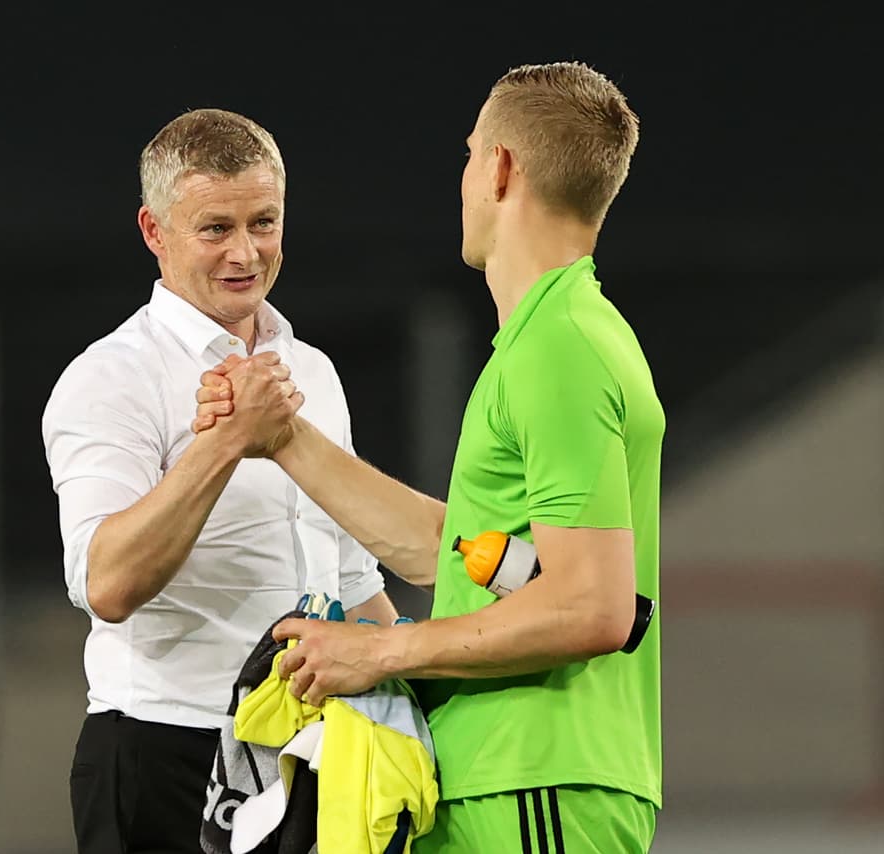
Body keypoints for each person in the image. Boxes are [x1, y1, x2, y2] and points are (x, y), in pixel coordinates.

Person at [192, 61, 662, 852]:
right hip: (504, 778)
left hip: (536, 779)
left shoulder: (558, 350)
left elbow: (593, 607)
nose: (464, 178)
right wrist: (282, 440)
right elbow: (467, 555)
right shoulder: (560, 336)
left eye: (471, 154)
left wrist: (381, 651)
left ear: (503, 170)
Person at [40, 107, 399, 854]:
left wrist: (408, 709)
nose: (245, 252)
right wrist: (229, 440)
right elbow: (106, 582)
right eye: (215, 229)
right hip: (168, 751)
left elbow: (355, 577)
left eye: (264, 222)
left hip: (311, 752)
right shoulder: (111, 378)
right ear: (153, 231)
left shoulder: (314, 373)